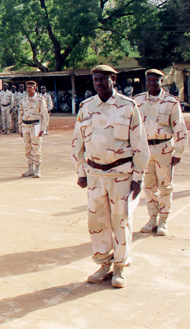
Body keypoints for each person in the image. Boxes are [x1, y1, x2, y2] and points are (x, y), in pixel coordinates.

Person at [71, 64, 149, 288]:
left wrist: (138, 177)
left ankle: (120, 267)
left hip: (121, 175)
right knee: (97, 221)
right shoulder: (86, 107)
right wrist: (81, 171)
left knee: (121, 220)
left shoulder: (128, 106)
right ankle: (104, 263)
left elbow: (140, 146)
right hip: (95, 174)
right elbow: (78, 142)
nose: (98, 83)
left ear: (113, 79)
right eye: (95, 80)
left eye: (103, 79)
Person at [134, 69, 188, 236]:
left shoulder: (171, 102)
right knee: (148, 187)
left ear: (161, 81)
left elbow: (180, 128)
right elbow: (132, 128)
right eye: (149, 80)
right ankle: (152, 219)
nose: (151, 83)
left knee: (165, 187)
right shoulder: (137, 101)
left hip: (164, 149)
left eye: (155, 80)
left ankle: (163, 221)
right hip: (144, 150)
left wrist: (178, 153)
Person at [18, 81, 49, 178]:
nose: (28, 89)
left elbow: (45, 115)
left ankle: (37, 170)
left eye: (30, 87)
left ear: (35, 88)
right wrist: (20, 127)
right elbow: (20, 113)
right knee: (27, 148)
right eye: (27, 87)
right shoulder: (23, 99)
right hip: (25, 125)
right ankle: (30, 169)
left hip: (36, 125)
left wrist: (43, 128)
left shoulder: (40, 99)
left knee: (36, 147)